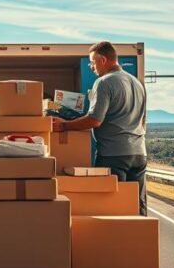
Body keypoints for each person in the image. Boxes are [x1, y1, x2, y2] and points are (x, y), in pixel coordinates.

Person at [52, 41, 148, 215]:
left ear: (103, 60)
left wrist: (64, 125)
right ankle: (140, 240)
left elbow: (95, 120)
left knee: (112, 207)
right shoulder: (137, 83)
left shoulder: (104, 82)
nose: (91, 67)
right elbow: (142, 120)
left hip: (114, 155)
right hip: (139, 153)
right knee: (137, 206)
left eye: (92, 62)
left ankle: (114, 242)